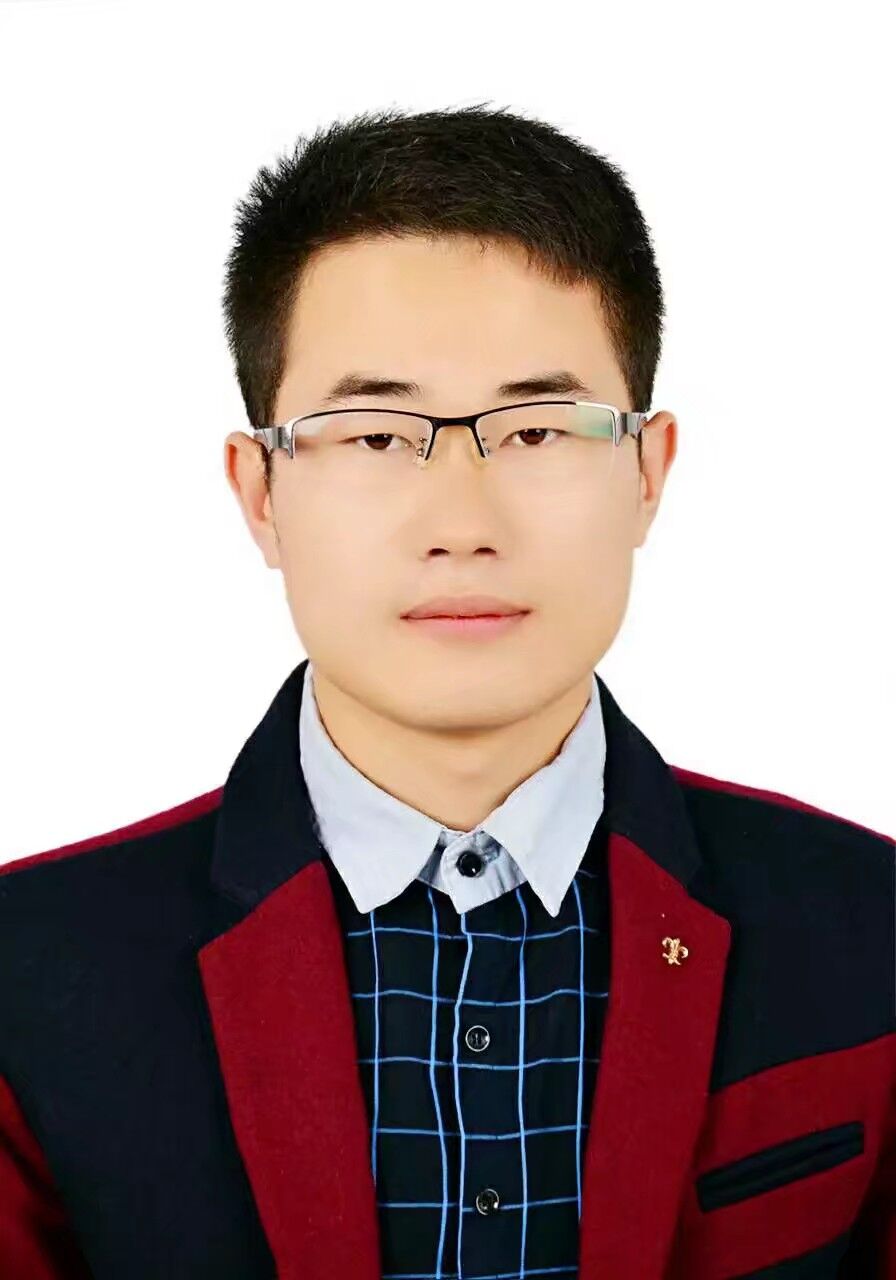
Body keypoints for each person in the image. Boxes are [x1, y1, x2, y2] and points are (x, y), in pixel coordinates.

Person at [1, 104, 893, 1280]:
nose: (462, 524)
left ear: (646, 470)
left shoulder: (867, 925)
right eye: (375, 435)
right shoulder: (28, 970)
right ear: (258, 492)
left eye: (537, 431)